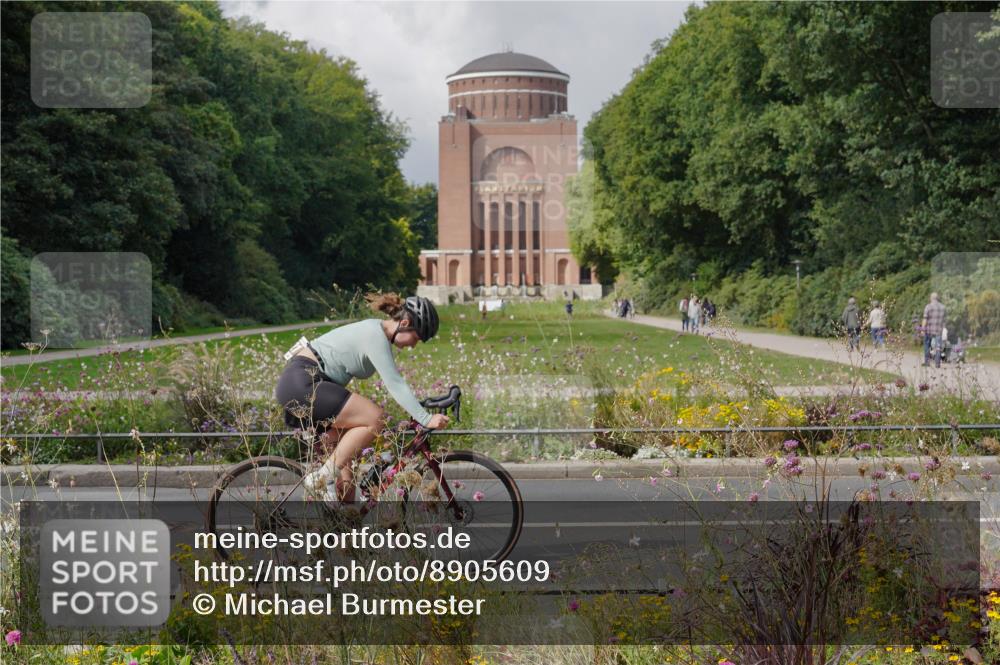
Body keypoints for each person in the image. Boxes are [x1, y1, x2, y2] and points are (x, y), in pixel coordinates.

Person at [275, 294, 449, 503]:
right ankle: (320, 478)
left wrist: (420, 408)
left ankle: (341, 527)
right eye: (417, 337)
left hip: (307, 383)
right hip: (303, 381)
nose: (414, 345)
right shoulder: (374, 334)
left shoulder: (376, 333)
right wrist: (425, 418)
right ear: (404, 323)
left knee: (347, 488)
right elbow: (395, 383)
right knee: (376, 418)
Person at [921, 292, 946, 368]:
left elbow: (925, 319)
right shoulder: (943, 307)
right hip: (939, 330)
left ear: (931, 298)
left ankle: (927, 362)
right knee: (938, 346)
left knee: (927, 345)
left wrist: (922, 329)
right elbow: (944, 320)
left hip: (929, 330)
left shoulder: (928, 307)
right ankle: (937, 363)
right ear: (937, 298)